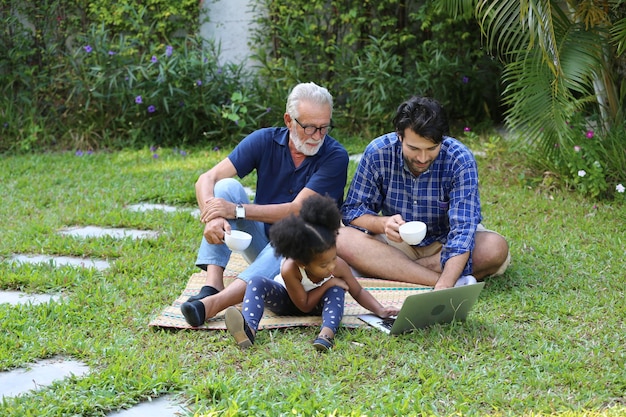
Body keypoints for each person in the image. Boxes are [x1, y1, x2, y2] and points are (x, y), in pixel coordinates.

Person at [180, 82, 349, 327]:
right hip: (262, 244)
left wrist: (235, 210)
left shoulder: (336, 156)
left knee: (291, 238)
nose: (317, 136)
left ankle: (215, 304)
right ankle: (212, 284)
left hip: (304, 258)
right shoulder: (265, 140)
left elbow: (296, 210)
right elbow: (207, 178)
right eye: (309, 127)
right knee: (225, 188)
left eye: (324, 127)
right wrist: (214, 216)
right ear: (289, 120)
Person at [337, 95, 510, 290]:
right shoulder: (378, 152)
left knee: (495, 248)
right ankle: (449, 281)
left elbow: (462, 232)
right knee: (340, 238)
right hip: (397, 244)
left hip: (445, 243)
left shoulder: (460, 159)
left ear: (442, 141)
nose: (422, 157)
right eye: (413, 148)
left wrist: (443, 287)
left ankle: (389, 271)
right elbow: (353, 210)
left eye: (431, 148)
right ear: (399, 136)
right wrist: (382, 223)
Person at [224, 194, 399, 352]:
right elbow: (304, 305)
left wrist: (380, 310)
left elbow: (358, 291)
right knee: (256, 282)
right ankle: (248, 329)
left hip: (320, 305)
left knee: (337, 291)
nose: (331, 266)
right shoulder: (290, 269)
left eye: (333, 257)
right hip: (288, 301)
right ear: (302, 263)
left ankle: (326, 335)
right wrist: (330, 283)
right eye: (324, 264)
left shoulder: (337, 265)